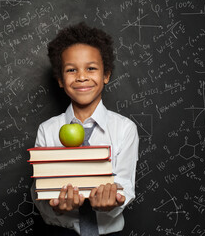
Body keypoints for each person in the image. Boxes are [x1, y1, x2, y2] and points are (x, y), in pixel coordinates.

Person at [31, 22, 139, 235]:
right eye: (71, 70)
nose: (81, 76)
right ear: (61, 80)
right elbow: (38, 189)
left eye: (91, 68)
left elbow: (125, 184)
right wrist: (55, 206)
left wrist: (113, 200)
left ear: (106, 75)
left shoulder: (125, 129)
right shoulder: (47, 130)